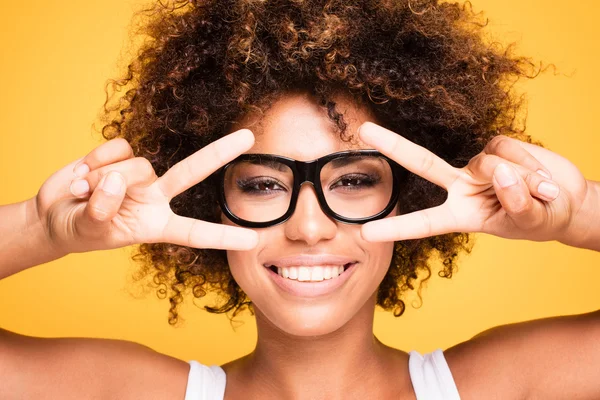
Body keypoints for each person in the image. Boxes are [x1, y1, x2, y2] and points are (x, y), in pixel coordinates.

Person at [1, 0, 598, 399]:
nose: (309, 228)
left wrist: (578, 214)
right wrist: (39, 228)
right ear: (207, 205)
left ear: (408, 199)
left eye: (354, 181)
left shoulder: (503, 385)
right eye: (262, 185)